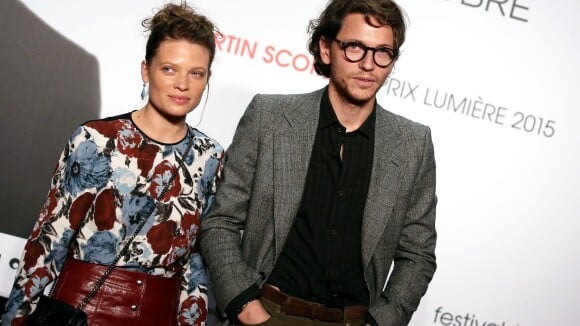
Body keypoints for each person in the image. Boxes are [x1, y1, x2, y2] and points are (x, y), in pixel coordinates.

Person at [200, 0, 437, 325]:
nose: (368, 64)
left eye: (383, 52)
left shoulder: (413, 143)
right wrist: (246, 306)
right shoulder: (269, 117)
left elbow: (418, 254)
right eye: (355, 47)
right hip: (267, 311)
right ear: (326, 49)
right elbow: (221, 221)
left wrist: (381, 320)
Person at [1, 2, 223, 325]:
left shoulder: (211, 158)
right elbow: (47, 245)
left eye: (196, 73)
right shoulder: (96, 139)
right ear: (146, 70)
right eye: (169, 69)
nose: (182, 84)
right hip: (80, 315)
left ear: (207, 79)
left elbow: (196, 268)